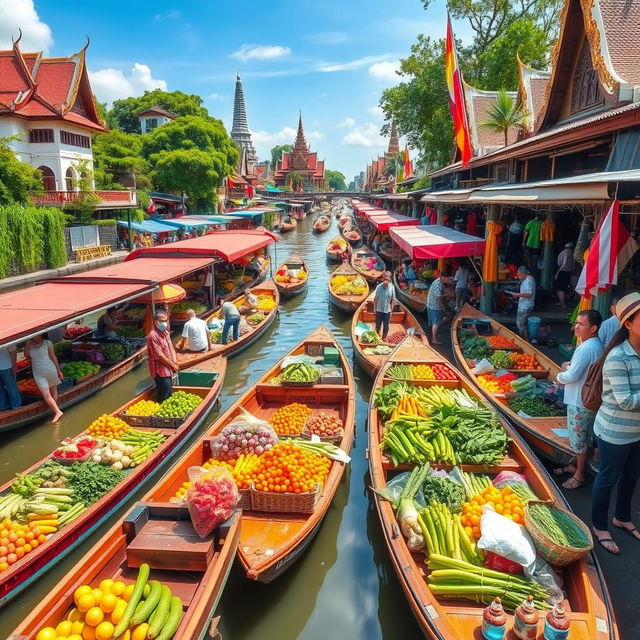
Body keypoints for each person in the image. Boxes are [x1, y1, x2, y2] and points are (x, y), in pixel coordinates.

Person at [591, 292, 640, 554]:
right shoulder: (618, 357)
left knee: (631, 477)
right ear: (628, 324)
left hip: (637, 431)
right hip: (613, 432)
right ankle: (599, 526)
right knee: (607, 478)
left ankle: (622, 516)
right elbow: (626, 401)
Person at [554, 310, 604, 489]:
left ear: (593, 328)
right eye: (577, 322)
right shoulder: (596, 345)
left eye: (581, 324)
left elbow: (572, 375)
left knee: (579, 441)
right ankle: (574, 466)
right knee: (583, 437)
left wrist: (560, 376)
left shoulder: (586, 347)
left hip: (579, 400)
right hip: (587, 399)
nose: (576, 326)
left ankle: (579, 475)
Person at [24, 334, 63, 423]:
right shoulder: (29, 344)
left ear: (41, 334)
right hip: (38, 372)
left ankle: (55, 411)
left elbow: (53, 357)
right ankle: (57, 411)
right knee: (45, 393)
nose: (33, 336)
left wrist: (58, 370)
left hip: (50, 368)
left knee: (53, 389)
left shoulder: (48, 343)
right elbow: (26, 355)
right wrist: (27, 344)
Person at [146, 310, 178, 402]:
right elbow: (159, 356)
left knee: (169, 392)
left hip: (169, 368)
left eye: (166, 320)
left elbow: (171, 347)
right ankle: (160, 413)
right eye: (162, 321)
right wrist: (173, 365)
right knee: (164, 393)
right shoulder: (152, 336)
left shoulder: (166, 333)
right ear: (156, 322)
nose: (164, 323)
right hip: (160, 370)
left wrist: (175, 361)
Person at [426, 270, 452, 345]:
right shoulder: (438, 284)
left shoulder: (440, 282)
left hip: (431, 304)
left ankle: (432, 334)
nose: (448, 280)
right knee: (436, 322)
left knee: (435, 322)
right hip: (434, 305)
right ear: (443, 277)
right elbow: (439, 298)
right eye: (447, 278)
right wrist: (443, 307)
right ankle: (434, 339)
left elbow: (441, 294)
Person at [511, 266, 536, 340]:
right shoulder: (527, 279)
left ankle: (525, 340)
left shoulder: (528, 281)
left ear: (523, 274)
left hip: (526, 306)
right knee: (520, 323)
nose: (519, 277)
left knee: (521, 324)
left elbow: (529, 294)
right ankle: (524, 339)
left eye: (520, 275)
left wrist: (517, 294)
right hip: (524, 304)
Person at [373, 271, 395, 340]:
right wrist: (374, 308)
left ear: (389, 280)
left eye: (388, 280)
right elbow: (376, 298)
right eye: (385, 279)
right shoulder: (379, 287)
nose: (386, 281)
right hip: (379, 309)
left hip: (387, 310)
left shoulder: (392, 287)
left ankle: (384, 337)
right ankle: (377, 335)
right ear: (383, 280)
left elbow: (393, 299)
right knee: (378, 325)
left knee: (386, 325)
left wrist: (391, 310)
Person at [0, 344, 21, 412]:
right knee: (11, 388)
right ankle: (13, 406)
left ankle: (15, 407)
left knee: (11, 388)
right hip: (7, 366)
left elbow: (13, 351)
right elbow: (13, 350)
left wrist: (14, 365)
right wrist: (14, 365)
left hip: (7, 366)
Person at [555, 242, 575, 309]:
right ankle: (563, 303)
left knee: (560, 289)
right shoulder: (571, 253)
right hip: (568, 272)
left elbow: (563, 263)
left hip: (562, 272)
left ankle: (563, 304)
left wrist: (557, 272)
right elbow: (572, 264)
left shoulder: (564, 252)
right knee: (564, 288)